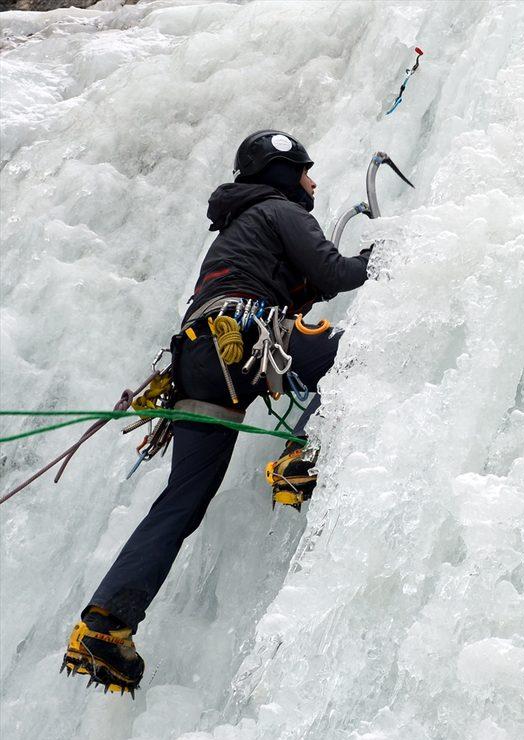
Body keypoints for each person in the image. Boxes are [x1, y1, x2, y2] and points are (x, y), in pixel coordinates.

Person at [62, 130, 371, 695]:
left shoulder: (238, 230)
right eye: (305, 171)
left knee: (183, 498)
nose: (312, 182)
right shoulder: (279, 209)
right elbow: (337, 275)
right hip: (245, 338)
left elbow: (300, 283)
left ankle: (105, 624)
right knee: (359, 356)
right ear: (283, 174)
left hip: (199, 360)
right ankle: (300, 456)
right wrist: (388, 253)